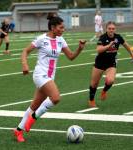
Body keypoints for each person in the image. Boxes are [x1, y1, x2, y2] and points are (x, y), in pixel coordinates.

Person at [13, 13, 86, 142]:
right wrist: (25, 65)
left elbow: (71, 57)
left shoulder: (61, 40)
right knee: (56, 98)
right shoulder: (41, 39)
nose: (63, 30)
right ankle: (32, 119)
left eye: (63, 28)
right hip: (40, 74)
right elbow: (25, 51)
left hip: (50, 76)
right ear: (53, 27)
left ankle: (18, 130)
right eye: (60, 28)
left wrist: (80, 49)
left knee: (34, 105)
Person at [88, 21, 133, 107]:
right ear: (106, 29)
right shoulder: (103, 37)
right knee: (94, 84)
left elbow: (127, 46)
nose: (111, 30)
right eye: (109, 28)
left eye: (113, 29)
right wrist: (108, 46)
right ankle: (91, 100)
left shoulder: (118, 37)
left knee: (110, 80)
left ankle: (104, 91)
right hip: (100, 63)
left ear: (115, 29)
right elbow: (98, 50)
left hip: (111, 63)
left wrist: (132, 55)